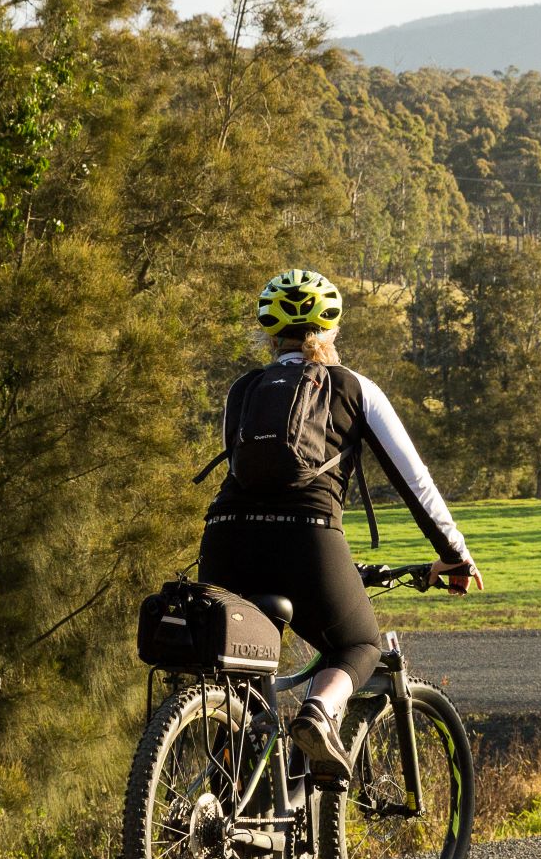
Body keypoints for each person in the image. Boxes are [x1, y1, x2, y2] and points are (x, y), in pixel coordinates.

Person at [199, 268, 480, 782]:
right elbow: (413, 481)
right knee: (357, 645)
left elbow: (241, 469)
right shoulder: (353, 387)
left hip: (224, 538)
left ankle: (234, 812)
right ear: (330, 330)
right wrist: (455, 554)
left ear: (272, 333)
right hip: (306, 538)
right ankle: (318, 715)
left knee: (244, 670)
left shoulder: (242, 390)